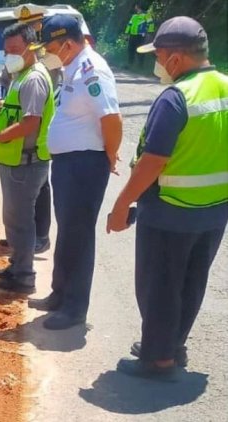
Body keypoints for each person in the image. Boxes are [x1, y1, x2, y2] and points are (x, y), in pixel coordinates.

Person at [107, 17, 228, 379]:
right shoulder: (224, 86)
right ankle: (172, 345)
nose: (157, 63)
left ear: (175, 58)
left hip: (170, 212)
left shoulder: (177, 98)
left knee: (159, 286)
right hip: (214, 210)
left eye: (158, 56)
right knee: (191, 283)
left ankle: (158, 360)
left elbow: (153, 161)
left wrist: (121, 204)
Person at [30, 15, 123, 330]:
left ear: (67, 44)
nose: (47, 53)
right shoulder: (72, 67)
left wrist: (110, 155)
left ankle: (74, 309)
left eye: (50, 47)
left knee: (79, 236)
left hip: (85, 165)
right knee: (68, 232)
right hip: (70, 164)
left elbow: (111, 119)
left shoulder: (91, 70)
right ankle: (60, 294)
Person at [0, 22, 55, 293]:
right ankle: (16, 267)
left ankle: (24, 277)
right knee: (14, 221)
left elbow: (30, 124)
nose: (9, 56)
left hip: (26, 163)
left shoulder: (33, 79)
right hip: (16, 159)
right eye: (6, 51)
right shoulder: (21, 74)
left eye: (14, 50)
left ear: (31, 47)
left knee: (21, 223)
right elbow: (11, 116)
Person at [0, 3, 54, 254]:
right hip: (18, 132)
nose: (32, 27)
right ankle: (20, 242)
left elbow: (56, 93)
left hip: (39, 134)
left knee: (39, 191)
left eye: (34, 24)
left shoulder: (49, 57)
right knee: (19, 206)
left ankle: (39, 237)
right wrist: (0, 101)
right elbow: (2, 81)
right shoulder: (16, 60)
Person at [125, 4, 155, 68]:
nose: (135, 8)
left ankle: (140, 66)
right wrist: (126, 33)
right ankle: (130, 64)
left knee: (140, 50)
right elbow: (129, 25)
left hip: (141, 35)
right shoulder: (134, 16)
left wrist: (149, 33)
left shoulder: (146, 15)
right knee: (130, 50)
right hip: (132, 35)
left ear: (139, 7)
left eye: (136, 6)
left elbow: (151, 24)